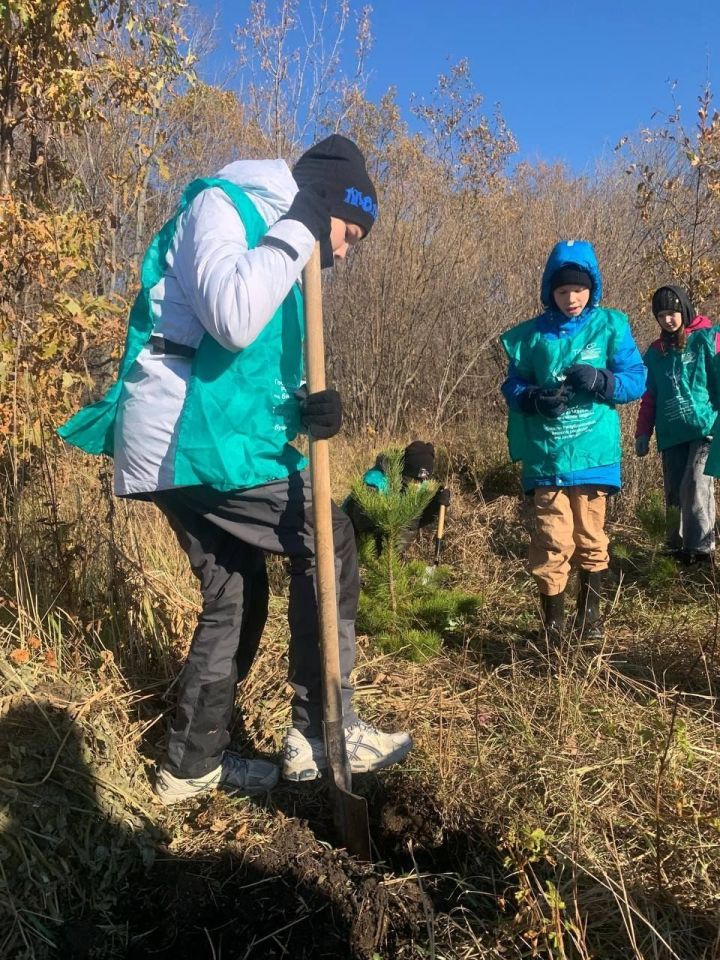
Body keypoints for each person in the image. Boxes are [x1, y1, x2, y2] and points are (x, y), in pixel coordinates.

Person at [58, 134, 412, 804]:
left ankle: (189, 770)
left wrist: (308, 412)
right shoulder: (222, 206)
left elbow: (249, 376)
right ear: (321, 203)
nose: (341, 253)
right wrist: (302, 228)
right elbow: (231, 316)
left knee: (235, 595)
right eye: (347, 233)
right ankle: (322, 731)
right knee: (327, 536)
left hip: (208, 439)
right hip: (186, 435)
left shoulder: (285, 244)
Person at [499, 240, 646, 642]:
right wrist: (532, 398)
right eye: (563, 291)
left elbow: (636, 377)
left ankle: (590, 620)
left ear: (591, 288)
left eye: (579, 290)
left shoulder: (611, 325)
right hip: (547, 455)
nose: (571, 299)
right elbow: (512, 384)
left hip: (594, 454)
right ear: (551, 291)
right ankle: (553, 627)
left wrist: (603, 381)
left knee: (591, 537)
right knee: (552, 539)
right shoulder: (532, 336)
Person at [635, 285, 720, 564]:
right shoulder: (656, 352)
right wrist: (643, 432)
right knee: (674, 490)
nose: (668, 320)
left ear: (683, 310)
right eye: (661, 315)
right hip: (671, 432)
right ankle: (676, 549)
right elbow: (649, 397)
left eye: (672, 313)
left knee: (696, 484)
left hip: (704, 427)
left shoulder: (706, 338)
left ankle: (701, 550)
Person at [343, 440, 451, 554]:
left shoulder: (419, 486)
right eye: (414, 479)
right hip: (347, 540)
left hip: (387, 555)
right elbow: (365, 526)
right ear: (405, 471)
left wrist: (434, 505)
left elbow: (413, 522)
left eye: (422, 480)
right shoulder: (375, 483)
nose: (418, 485)